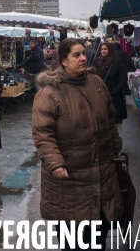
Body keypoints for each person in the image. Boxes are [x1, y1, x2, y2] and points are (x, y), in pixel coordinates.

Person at [32, 38, 123, 250]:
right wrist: (56, 164)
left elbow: (110, 118)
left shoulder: (96, 83)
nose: (83, 58)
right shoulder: (49, 92)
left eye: (83, 53)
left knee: (98, 239)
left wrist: (115, 145)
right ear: (63, 61)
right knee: (73, 242)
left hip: (101, 176)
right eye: (76, 55)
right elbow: (42, 134)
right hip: (69, 181)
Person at [94, 42, 128, 132]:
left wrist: (115, 90)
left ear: (110, 50)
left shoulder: (117, 61)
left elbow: (123, 78)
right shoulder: (98, 61)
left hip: (115, 96)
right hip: (100, 96)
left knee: (115, 122)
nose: (103, 51)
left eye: (105, 49)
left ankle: (116, 143)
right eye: (102, 49)